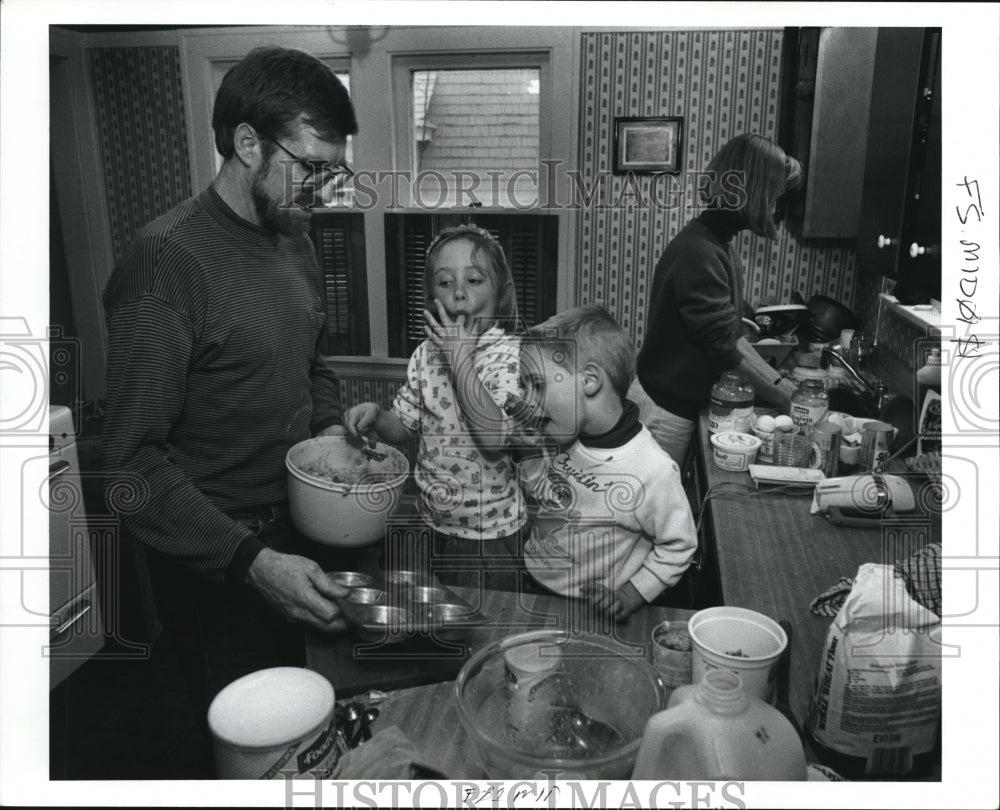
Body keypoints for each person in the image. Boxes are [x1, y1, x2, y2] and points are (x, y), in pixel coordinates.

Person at [102, 46, 359, 712]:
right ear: (248, 143)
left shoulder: (294, 239)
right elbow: (129, 464)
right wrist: (253, 563)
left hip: (301, 531)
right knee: (246, 739)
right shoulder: (165, 261)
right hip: (218, 559)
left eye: (335, 171)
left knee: (313, 721)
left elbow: (313, 360)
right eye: (312, 167)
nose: (324, 189)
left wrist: (331, 433)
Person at [343, 224, 527, 590]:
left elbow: (494, 439)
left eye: (475, 280)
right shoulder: (425, 355)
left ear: (502, 295)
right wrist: (379, 417)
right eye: (445, 283)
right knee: (432, 626)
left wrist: (460, 358)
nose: (459, 293)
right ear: (432, 297)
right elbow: (405, 425)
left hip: (488, 537)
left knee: (482, 635)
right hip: (429, 522)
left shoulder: (511, 356)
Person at [514, 305, 698, 620]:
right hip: (532, 582)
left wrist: (632, 592)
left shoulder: (652, 470)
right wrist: (527, 453)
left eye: (537, 385)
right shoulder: (564, 439)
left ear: (589, 381)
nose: (526, 399)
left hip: (585, 610)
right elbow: (545, 495)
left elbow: (678, 546)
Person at [632, 133, 803, 464]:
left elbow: (730, 337)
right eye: (775, 195)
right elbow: (726, 349)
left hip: (673, 403)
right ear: (755, 191)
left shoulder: (715, 244)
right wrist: (787, 394)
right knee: (655, 513)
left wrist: (783, 387)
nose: (777, 207)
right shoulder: (701, 252)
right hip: (665, 412)